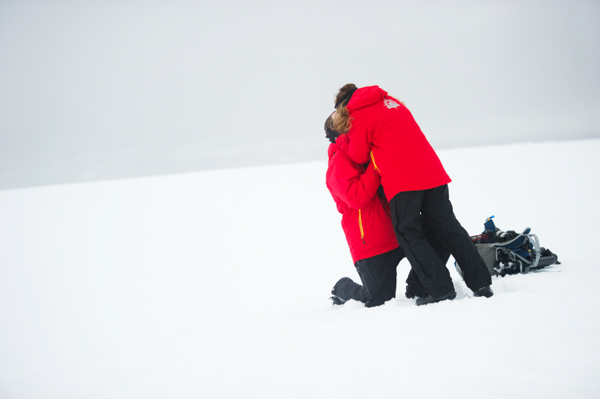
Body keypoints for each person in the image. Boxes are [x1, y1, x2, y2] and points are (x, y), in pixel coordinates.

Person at [330, 83, 493, 306]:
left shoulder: (358, 113)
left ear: (345, 105)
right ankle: (481, 282)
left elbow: (358, 156)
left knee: (408, 233)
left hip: (403, 179)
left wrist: (343, 140)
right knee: (449, 228)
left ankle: (440, 288)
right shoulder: (393, 103)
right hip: (433, 173)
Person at [324, 114, 449, 307]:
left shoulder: (365, 151)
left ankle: (418, 285)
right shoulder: (338, 162)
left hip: (398, 227)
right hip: (371, 243)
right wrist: (376, 166)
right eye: (346, 123)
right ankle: (343, 287)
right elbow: (356, 196)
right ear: (338, 131)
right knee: (378, 300)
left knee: (440, 236)